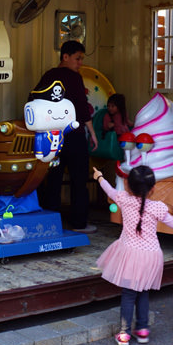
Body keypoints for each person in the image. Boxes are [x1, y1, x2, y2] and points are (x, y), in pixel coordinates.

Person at [94, 165, 173, 345]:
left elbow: (110, 190)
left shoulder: (122, 198)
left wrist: (99, 177)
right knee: (143, 292)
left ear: (127, 186)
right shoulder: (158, 207)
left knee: (128, 294)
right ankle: (142, 330)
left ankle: (124, 334)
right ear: (153, 189)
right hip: (151, 256)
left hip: (129, 254)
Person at [33, 40, 98, 233]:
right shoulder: (74, 78)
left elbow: (34, 100)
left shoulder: (48, 76)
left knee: (53, 178)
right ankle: (79, 223)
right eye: (77, 59)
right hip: (73, 135)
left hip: (51, 136)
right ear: (65, 57)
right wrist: (92, 133)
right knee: (79, 180)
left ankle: (49, 221)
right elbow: (81, 107)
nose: (80, 63)